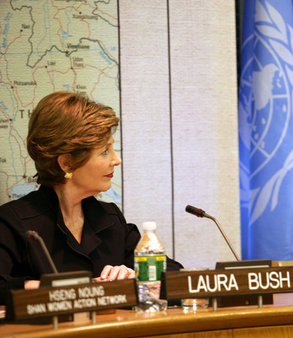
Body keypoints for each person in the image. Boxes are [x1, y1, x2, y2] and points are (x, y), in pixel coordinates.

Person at [0, 91, 182, 304]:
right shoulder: (13, 222)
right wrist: (66, 290)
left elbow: (176, 275)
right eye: (105, 151)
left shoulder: (109, 218)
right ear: (67, 163)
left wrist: (136, 277)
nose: (117, 160)